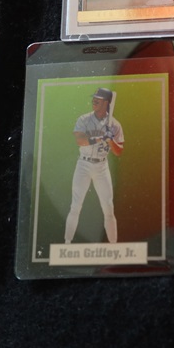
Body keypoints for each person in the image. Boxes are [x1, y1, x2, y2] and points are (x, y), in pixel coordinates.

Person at [64, 87, 124, 244]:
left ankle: (114, 246)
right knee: (75, 205)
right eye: (94, 98)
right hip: (83, 164)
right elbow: (80, 140)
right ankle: (67, 243)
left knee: (108, 207)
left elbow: (119, 151)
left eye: (98, 99)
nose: (94, 101)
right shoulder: (84, 119)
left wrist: (111, 140)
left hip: (102, 167)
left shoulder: (115, 124)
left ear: (107, 103)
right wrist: (100, 137)